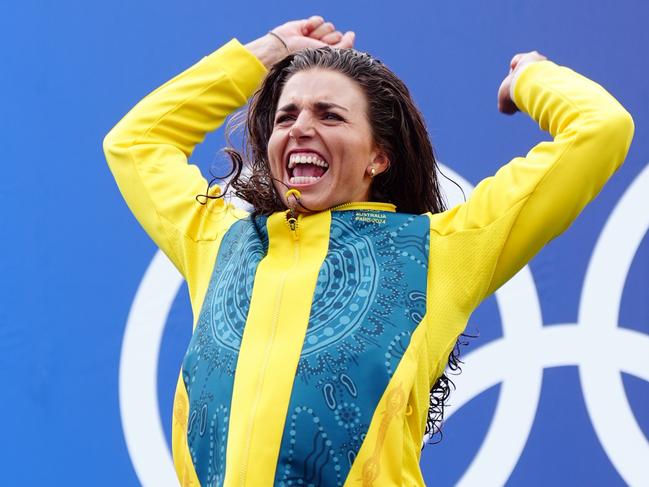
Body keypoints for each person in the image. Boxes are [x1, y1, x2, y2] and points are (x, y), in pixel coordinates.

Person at [104, 15, 634, 487]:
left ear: (379, 156)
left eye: (330, 116)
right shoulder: (219, 242)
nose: (301, 128)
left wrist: (531, 78)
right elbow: (133, 144)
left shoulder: (439, 252)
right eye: (285, 117)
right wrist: (266, 51)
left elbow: (601, 128)